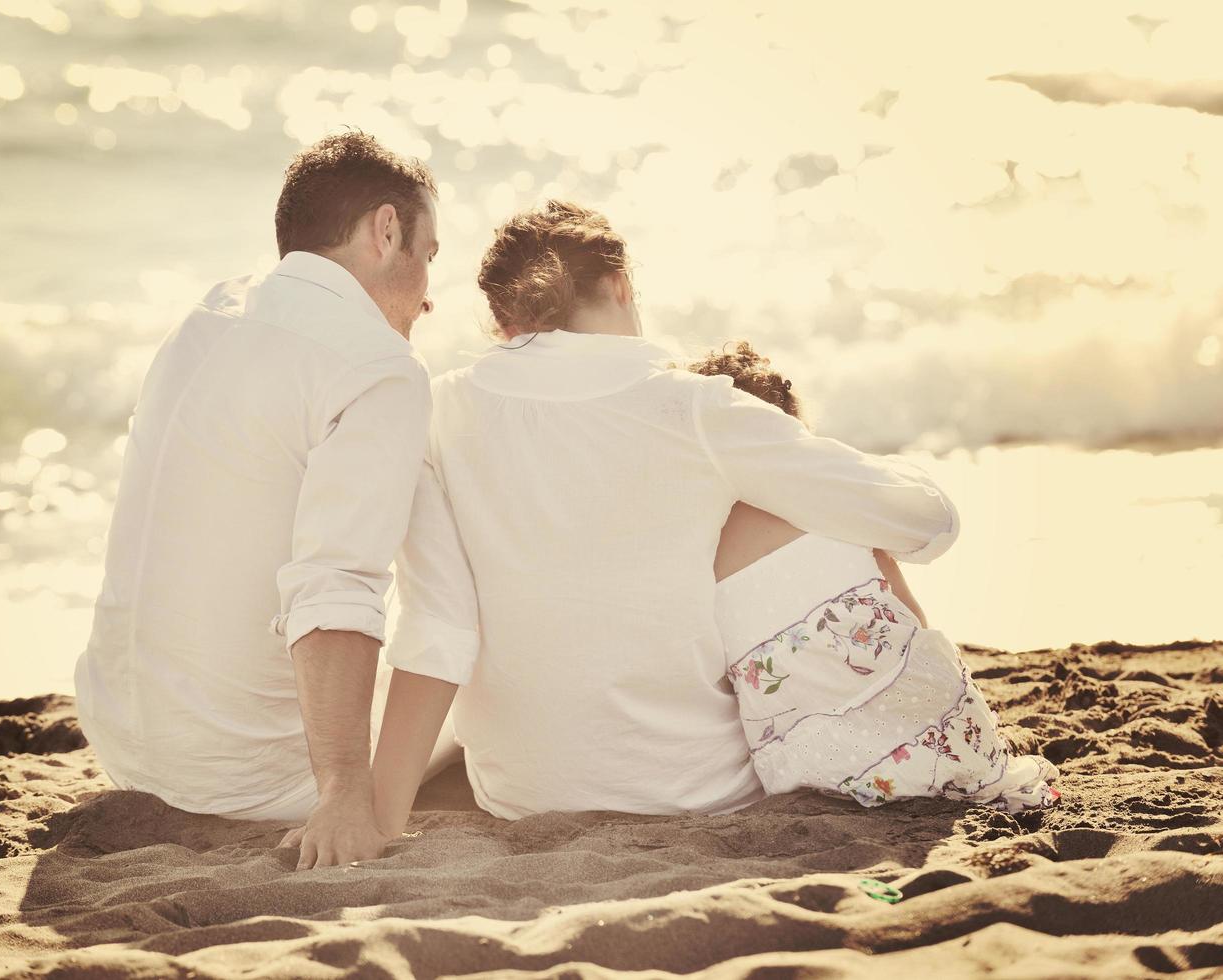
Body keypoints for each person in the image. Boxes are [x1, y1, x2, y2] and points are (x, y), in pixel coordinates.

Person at [368, 200, 961, 835]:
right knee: (808, 514)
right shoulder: (695, 407)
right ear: (620, 285)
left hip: (518, 794)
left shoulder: (437, 409)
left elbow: (436, 619)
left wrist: (374, 809)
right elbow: (926, 522)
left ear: (503, 319)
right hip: (696, 791)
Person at [73, 131, 440, 869]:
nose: (430, 297)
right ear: (387, 230)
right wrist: (342, 792)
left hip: (123, 742)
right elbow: (336, 583)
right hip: (248, 775)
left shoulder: (208, 316)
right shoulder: (377, 366)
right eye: (429, 256)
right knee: (474, 633)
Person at [690, 342, 1061, 811]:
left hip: (811, 765)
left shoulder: (700, 536)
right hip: (924, 727)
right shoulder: (831, 500)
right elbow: (911, 614)